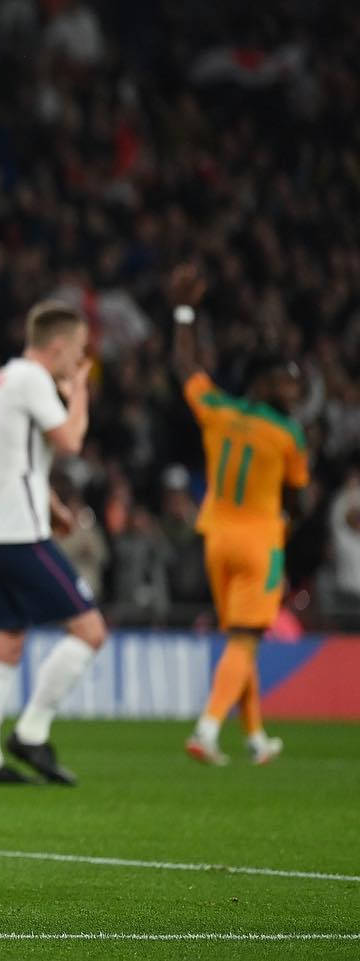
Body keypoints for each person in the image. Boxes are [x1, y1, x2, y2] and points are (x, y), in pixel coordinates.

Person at [171, 265, 308, 767]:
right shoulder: (288, 435)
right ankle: (207, 729)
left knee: (238, 642)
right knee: (246, 641)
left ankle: (255, 737)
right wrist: (287, 523)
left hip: (216, 538)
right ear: (267, 384)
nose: (295, 391)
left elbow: (184, 365)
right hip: (260, 543)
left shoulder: (219, 411)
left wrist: (183, 311)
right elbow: (299, 497)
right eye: (289, 383)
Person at [0, 302, 107, 786]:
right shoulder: (32, 380)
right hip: (19, 536)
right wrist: (78, 391)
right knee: (90, 631)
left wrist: (55, 508)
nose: (80, 361)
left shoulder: (1, 381)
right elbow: (69, 441)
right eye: (79, 353)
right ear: (59, 346)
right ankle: (31, 732)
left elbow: (17, 462)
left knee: (4, 644)